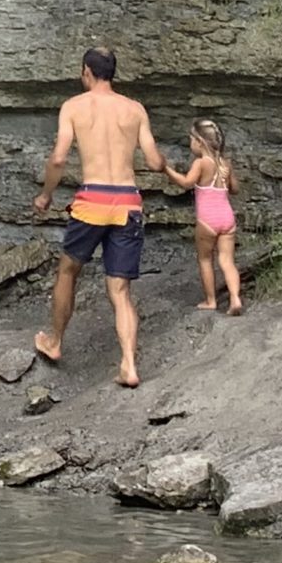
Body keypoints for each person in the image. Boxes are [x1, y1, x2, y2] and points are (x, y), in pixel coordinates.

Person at [32, 46, 165, 389]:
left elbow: (59, 158)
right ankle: (129, 365)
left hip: (92, 201)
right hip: (127, 203)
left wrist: (46, 195)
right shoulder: (135, 109)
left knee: (68, 270)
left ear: (87, 72)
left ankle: (55, 341)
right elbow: (154, 162)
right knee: (120, 290)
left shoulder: (74, 106)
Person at [164, 117, 244, 315]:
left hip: (208, 220)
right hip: (227, 218)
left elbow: (186, 183)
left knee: (205, 259)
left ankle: (211, 301)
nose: (190, 143)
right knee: (227, 260)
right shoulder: (225, 164)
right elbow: (235, 189)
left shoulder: (201, 163)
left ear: (199, 142)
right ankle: (235, 298)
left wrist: (166, 169)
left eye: (191, 139)